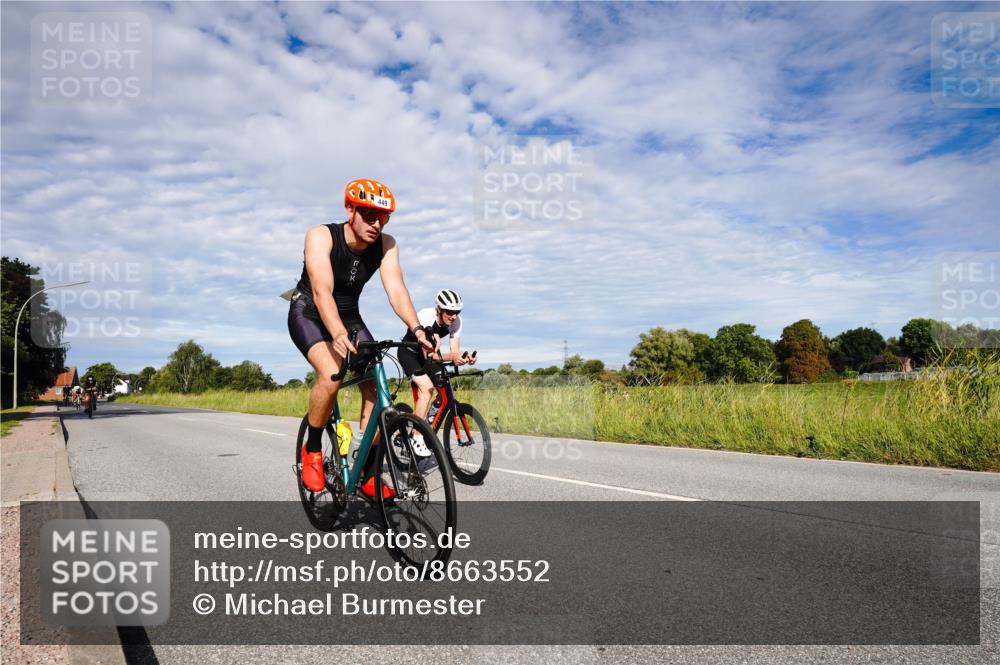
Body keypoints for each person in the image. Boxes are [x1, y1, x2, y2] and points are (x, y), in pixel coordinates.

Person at [286, 178, 435, 497]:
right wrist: (337, 331)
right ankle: (311, 451)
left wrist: (417, 329)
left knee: (377, 389)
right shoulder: (321, 235)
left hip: (350, 316)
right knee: (332, 374)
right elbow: (321, 290)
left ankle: (365, 472)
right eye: (368, 215)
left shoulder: (387, 244)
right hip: (310, 312)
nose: (376, 223)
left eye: (383, 217)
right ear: (350, 210)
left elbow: (396, 291)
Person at [397, 289, 477, 455]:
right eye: (449, 312)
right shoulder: (426, 316)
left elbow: (454, 350)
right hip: (410, 354)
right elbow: (432, 355)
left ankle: (429, 418)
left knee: (444, 389)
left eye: (457, 312)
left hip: (431, 356)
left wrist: (463, 357)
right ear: (439, 309)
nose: (453, 316)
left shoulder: (456, 322)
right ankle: (416, 436)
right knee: (427, 389)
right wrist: (453, 356)